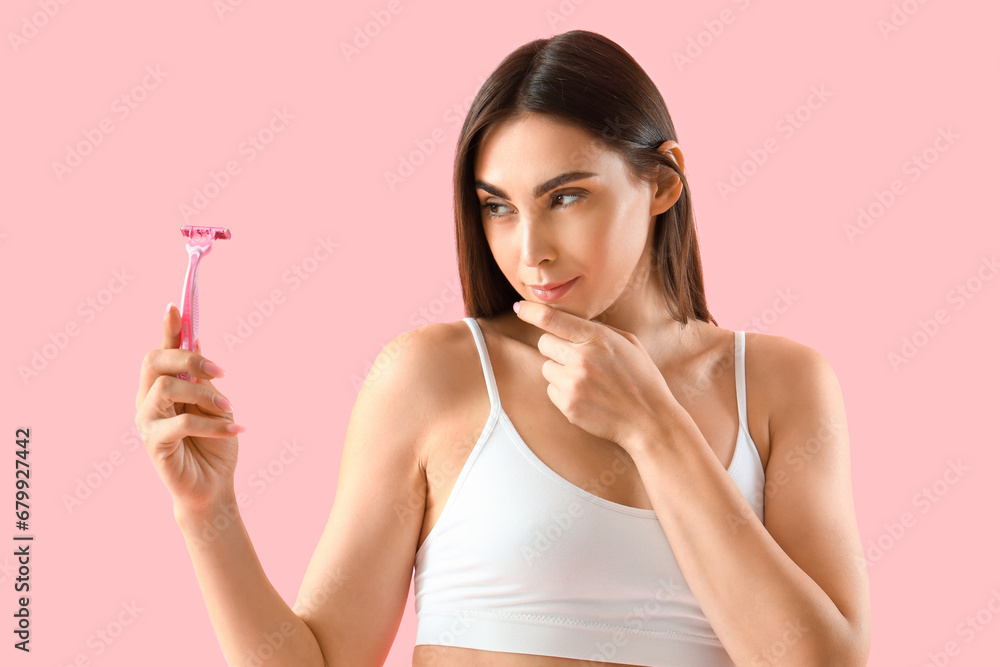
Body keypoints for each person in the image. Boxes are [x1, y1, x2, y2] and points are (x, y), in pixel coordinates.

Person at [134, 29, 871, 667]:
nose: (529, 250)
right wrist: (206, 510)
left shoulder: (779, 384)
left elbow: (820, 660)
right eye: (498, 207)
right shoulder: (431, 376)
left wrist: (654, 426)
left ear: (662, 182)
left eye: (566, 196)